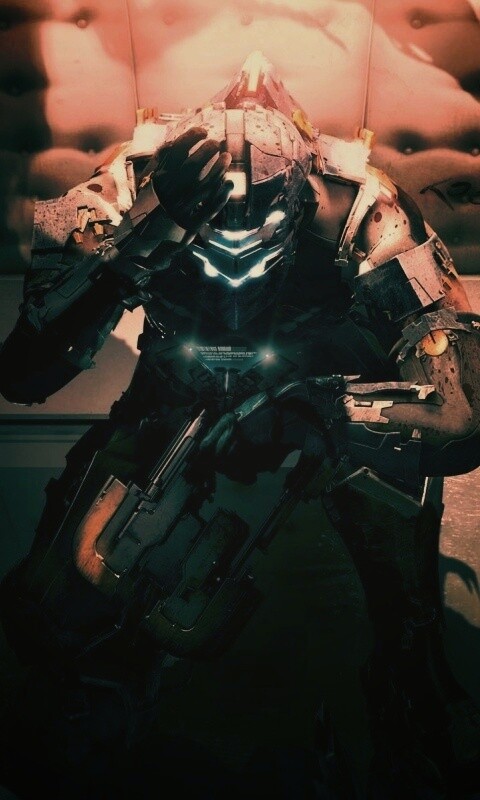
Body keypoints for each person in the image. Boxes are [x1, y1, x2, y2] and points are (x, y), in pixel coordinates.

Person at [0, 52, 479, 799]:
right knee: (61, 602)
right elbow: (25, 373)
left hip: (318, 386)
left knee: (395, 567)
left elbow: (461, 409)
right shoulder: (120, 189)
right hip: (176, 390)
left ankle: (405, 691)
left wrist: (328, 408)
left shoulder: (363, 203)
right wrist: (138, 240)